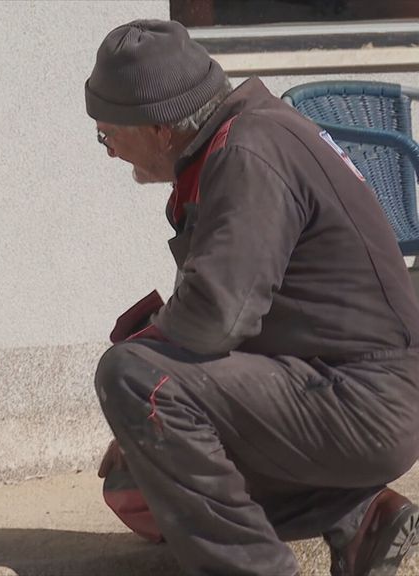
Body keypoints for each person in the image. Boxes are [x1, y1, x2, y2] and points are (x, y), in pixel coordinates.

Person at [86, 19, 419, 576]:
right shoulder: (241, 139)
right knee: (136, 487)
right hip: (339, 389)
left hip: (363, 400)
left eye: (108, 134)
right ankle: (358, 516)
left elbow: (217, 319)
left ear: (161, 129)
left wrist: (152, 391)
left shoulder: (249, 153)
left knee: (131, 376)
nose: (110, 153)